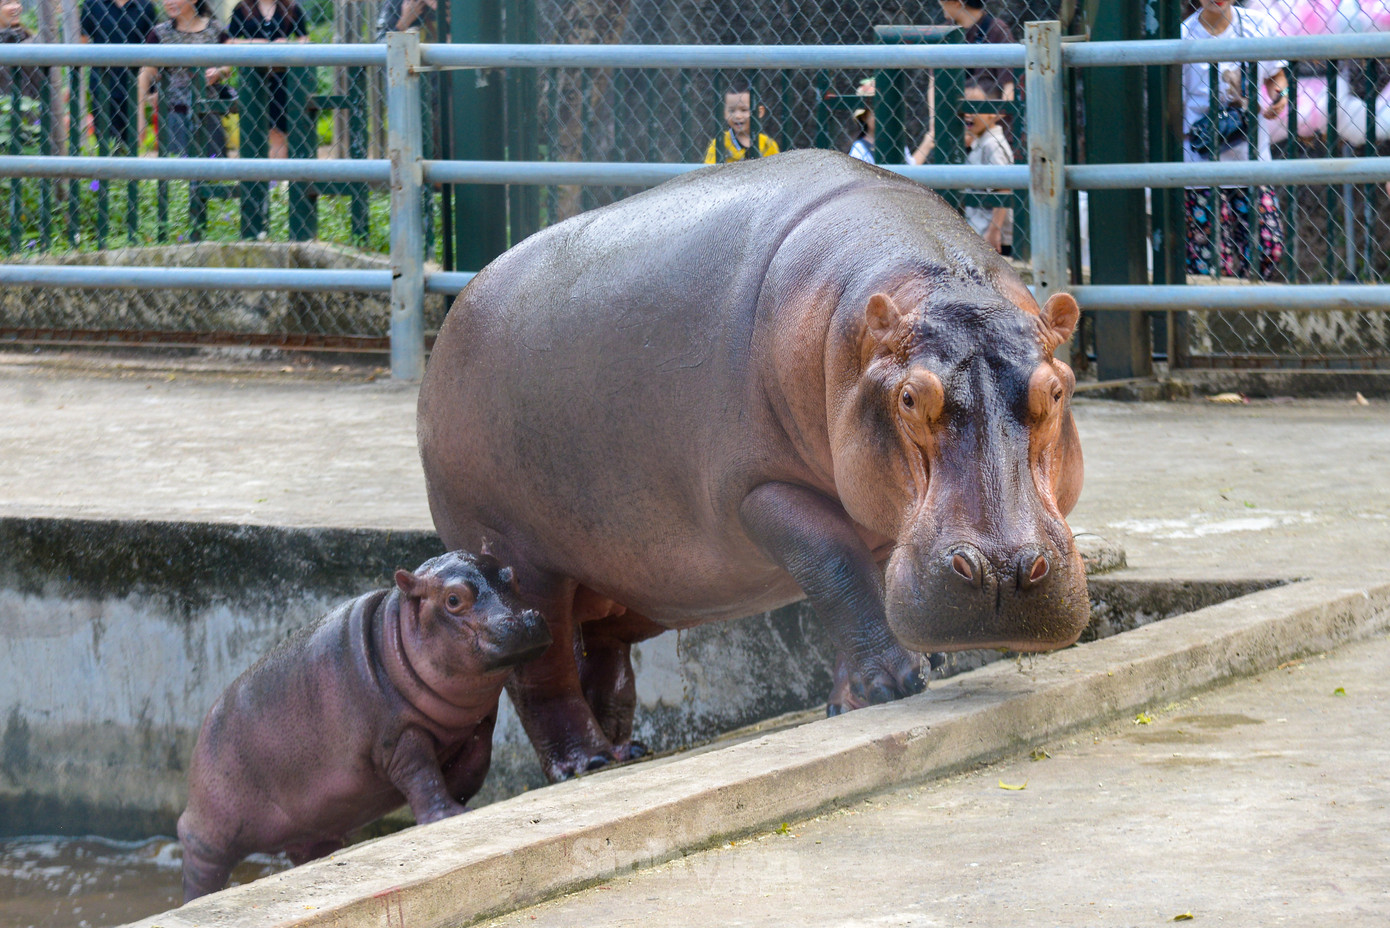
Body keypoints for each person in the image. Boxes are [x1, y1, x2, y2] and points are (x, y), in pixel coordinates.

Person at [1181, 0, 1289, 280]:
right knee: (1211, 261)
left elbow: (1276, 73)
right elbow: (1174, 107)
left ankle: (1245, 304)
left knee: (1268, 245)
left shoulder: (1257, 25)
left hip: (1250, 161)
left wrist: (1279, 95)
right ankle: (1222, 314)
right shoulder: (1184, 36)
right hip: (1203, 166)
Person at [137, 0, 231, 158]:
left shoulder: (214, 29)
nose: (168, 2)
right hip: (174, 113)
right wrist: (140, 117)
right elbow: (145, 74)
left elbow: (229, 63)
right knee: (178, 177)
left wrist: (218, 72)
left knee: (214, 173)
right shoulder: (160, 33)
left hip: (208, 111)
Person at [228, 0, 309, 160]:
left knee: (280, 129)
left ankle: (278, 179)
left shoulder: (291, 8)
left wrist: (288, 43)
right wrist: (257, 43)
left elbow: (304, 39)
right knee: (255, 127)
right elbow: (230, 40)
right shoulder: (242, 8)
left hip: (283, 75)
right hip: (252, 75)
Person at [80, 0, 158, 153]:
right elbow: (82, 42)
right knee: (106, 144)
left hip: (135, 85)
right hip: (102, 85)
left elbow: (152, 47)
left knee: (134, 144)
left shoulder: (145, 6)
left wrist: (152, 89)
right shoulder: (92, 4)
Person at [962, 77, 1013, 255]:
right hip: (981, 235)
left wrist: (994, 231)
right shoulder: (980, 142)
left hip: (993, 241)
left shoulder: (992, 145)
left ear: (995, 112)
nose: (968, 113)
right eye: (965, 105)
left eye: (975, 107)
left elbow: (1004, 189)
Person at [937, 0, 1015, 101]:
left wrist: (997, 113)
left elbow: (1009, 85)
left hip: (989, 111)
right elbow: (934, 83)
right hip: (954, 109)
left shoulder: (996, 29)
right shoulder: (945, 32)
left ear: (957, 3)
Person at [846, 78, 935, 166]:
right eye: (877, 110)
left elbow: (911, 169)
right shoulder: (860, 149)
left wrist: (927, 143)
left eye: (888, 110)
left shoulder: (898, 143)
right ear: (864, 116)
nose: (884, 115)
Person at [704, 84, 779, 163]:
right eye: (732, 111)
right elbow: (709, 170)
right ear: (724, 113)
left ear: (759, 112)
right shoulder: (720, 142)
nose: (737, 116)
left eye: (744, 110)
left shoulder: (767, 144)